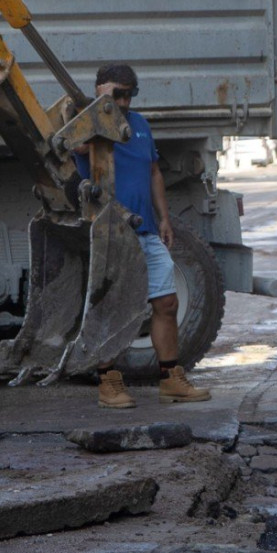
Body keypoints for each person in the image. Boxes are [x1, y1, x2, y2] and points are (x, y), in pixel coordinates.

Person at [77, 64, 211, 408]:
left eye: (129, 94)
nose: (123, 102)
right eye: (117, 94)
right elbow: (76, 148)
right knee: (111, 306)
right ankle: (108, 383)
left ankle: (171, 380)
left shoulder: (140, 125)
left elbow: (153, 172)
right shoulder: (88, 122)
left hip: (146, 229)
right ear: (100, 91)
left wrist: (164, 218)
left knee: (166, 303)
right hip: (109, 231)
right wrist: (97, 114)